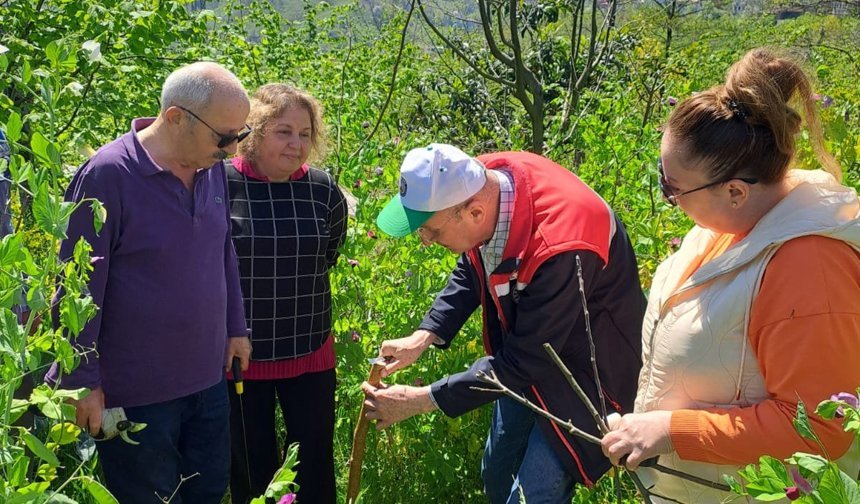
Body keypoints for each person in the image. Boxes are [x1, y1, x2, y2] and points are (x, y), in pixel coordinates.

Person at [600, 48, 860, 503]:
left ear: (736, 191)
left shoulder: (809, 265)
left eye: (672, 188)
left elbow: (821, 429)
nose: (669, 198)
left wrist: (668, 429)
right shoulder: (730, 229)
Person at [365, 143, 646, 503]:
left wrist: (422, 399)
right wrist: (425, 335)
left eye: (432, 232)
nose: (425, 240)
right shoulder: (485, 182)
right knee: (496, 473)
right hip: (529, 354)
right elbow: (475, 259)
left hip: (586, 377)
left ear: (474, 212)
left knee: (533, 494)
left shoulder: (563, 245)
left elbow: (526, 361)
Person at [45, 62, 253, 504]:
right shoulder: (106, 176)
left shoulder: (210, 165)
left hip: (207, 381)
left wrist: (236, 327)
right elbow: (76, 285)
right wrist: (82, 380)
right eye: (225, 136)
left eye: (242, 134)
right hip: (136, 396)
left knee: (211, 492)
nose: (233, 148)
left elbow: (222, 249)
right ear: (176, 117)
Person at [224, 83, 347, 504]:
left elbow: (327, 253)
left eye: (305, 133)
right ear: (254, 130)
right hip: (240, 359)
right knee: (252, 472)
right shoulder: (218, 184)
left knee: (314, 469)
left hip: (309, 353)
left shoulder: (322, 189)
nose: (297, 144)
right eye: (284, 131)